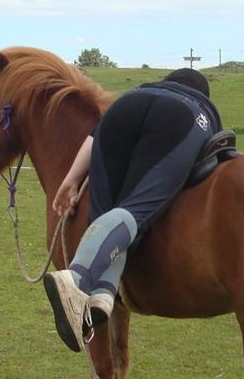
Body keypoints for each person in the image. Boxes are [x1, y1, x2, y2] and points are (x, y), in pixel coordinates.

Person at [43, 67, 222, 352]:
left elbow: (94, 135)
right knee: (138, 209)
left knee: (107, 214)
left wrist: (71, 180)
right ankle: (74, 280)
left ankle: (102, 296)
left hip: (122, 109)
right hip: (183, 117)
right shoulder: (200, 106)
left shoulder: (143, 89)